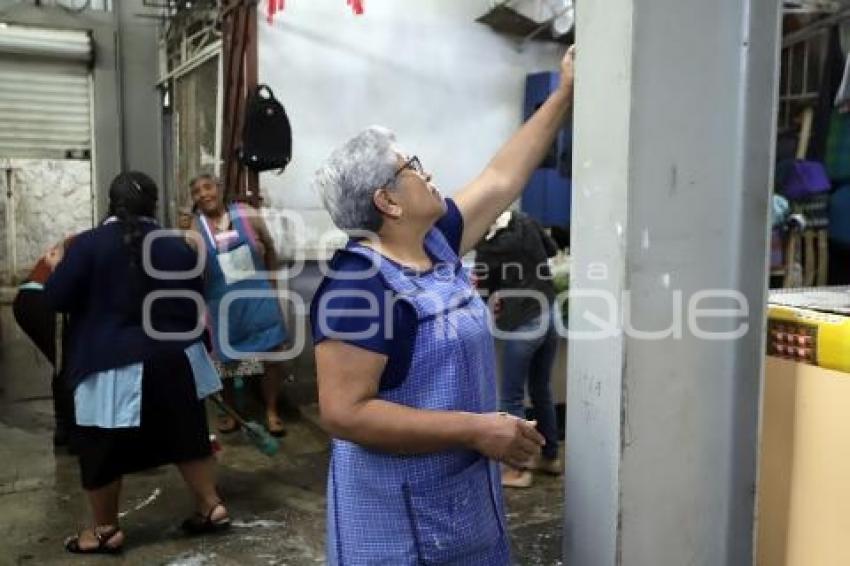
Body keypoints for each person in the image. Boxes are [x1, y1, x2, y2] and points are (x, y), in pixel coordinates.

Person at [310, 47, 574, 565]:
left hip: (460, 498)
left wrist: (566, 91)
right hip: (395, 520)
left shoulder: (435, 243)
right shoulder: (357, 288)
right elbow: (345, 412)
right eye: (412, 167)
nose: (427, 172)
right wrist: (477, 429)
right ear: (388, 202)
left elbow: (502, 178)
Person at [44, 172, 230, 555]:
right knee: (187, 437)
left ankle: (105, 531)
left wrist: (58, 264)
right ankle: (211, 507)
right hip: (177, 359)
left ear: (110, 205)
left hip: (112, 360)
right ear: (155, 206)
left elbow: (55, 298)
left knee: (102, 446)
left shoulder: (87, 245)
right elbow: (196, 298)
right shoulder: (177, 247)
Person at [189, 174, 289, 436]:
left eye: (207, 187)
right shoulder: (194, 228)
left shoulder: (247, 214)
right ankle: (233, 412)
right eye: (196, 191)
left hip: (258, 298)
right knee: (226, 360)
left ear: (220, 189)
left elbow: (269, 246)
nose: (203, 194)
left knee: (271, 355)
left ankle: (271, 410)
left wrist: (273, 284)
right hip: (222, 305)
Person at [475, 210, 563, 488]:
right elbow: (551, 250)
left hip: (525, 324)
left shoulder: (488, 247)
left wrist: (498, 298)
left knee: (511, 396)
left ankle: (517, 470)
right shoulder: (527, 220)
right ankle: (550, 458)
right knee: (541, 389)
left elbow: (483, 293)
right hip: (550, 313)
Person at [12, 236, 76, 448]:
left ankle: (65, 430)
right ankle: (71, 431)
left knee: (64, 363)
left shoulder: (82, 240)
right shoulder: (88, 243)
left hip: (30, 298)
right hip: (41, 298)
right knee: (68, 364)